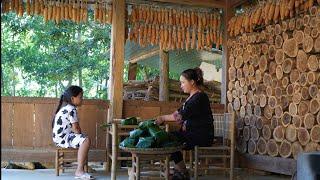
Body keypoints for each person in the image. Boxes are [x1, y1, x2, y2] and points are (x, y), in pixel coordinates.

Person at [155, 68, 214, 180]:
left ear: (192, 82)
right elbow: (178, 112)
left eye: (183, 82)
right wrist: (160, 118)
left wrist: (162, 117)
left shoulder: (199, 97)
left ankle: (182, 172)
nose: (181, 85)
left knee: (170, 140)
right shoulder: (192, 97)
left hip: (202, 135)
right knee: (170, 138)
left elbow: (180, 116)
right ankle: (180, 171)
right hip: (193, 133)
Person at [52, 85, 95, 179]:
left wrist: (80, 136)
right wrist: (82, 138)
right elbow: (76, 128)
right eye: (80, 97)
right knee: (86, 140)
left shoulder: (66, 108)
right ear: (72, 98)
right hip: (63, 139)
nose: (82, 99)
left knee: (83, 138)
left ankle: (80, 168)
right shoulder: (71, 109)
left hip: (59, 138)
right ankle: (79, 171)